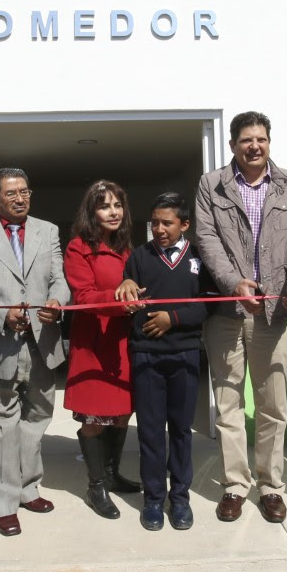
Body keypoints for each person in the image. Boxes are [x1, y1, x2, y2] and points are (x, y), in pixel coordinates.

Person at [196, 111, 287, 524]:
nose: (254, 146)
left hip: (273, 313)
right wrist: (233, 282)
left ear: (269, 142)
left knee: (272, 406)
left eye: (261, 139)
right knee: (228, 405)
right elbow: (207, 238)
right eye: (246, 140)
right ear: (232, 145)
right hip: (226, 313)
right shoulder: (211, 185)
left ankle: (270, 487)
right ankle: (234, 485)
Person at [0, 168, 69, 537]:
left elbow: (59, 277)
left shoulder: (48, 230)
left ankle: (27, 488)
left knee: (36, 417)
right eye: (11, 194)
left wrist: (58, 300)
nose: (20, 198)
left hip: (43, 341)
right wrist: (1, 314)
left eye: (25, 191)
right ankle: (4, 504)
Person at [117, 192, 209, 531]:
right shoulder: (139, 257)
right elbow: (129, 299)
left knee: (181, 430)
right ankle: (153, 499)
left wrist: (173, 318)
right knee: (151, 432)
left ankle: (180, 498)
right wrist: (126, 294)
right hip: (147, 356)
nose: (158, 229)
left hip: (184, 353)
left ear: (184, 224)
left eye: (166, 223)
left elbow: (208, 304)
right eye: (153, 222)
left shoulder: (199, 257)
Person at [63, 180, 141, 520]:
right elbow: (82, 298)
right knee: (94, 418)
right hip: (94, 341)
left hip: (124, 340)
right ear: (91, 212)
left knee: (122, 411)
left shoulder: (126, 248)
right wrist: (119, 298)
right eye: (105, 205)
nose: (113, 211)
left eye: (117, 205)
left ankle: (111, 473)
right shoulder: (79, 248)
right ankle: (96, 486)